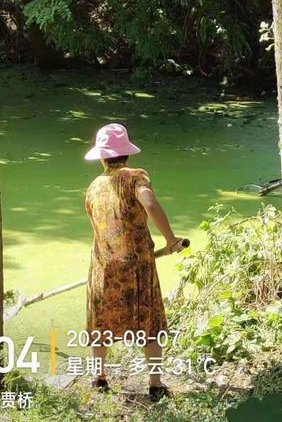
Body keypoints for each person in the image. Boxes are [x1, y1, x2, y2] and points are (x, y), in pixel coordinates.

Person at [84, 123, 182, 400]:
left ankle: (99, 379)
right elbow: (149, 204)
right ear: (126, 154)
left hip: (103, 266)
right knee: (149, 322)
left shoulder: (94, 187)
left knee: (100, 323)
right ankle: (155, 385)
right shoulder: (136, 177)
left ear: (103, 158)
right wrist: (170, 240)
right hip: (137, 264)